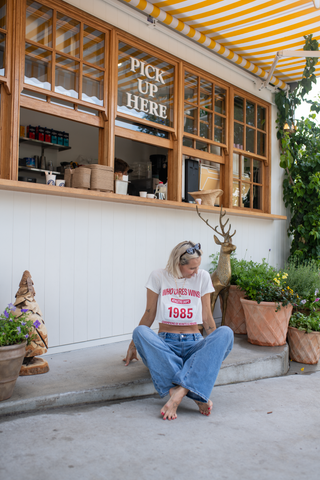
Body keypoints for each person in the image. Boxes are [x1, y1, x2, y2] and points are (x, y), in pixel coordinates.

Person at [124, 241, 234, 421]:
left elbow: (207, 318)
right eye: (191, 268)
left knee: (226, 333)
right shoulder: (158, 276)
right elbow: (149, 313)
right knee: (140, 332)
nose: (196, 272)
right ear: (178, 264)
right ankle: (196, 393)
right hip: (166, 344)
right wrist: (133, 345)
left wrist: (211, 351)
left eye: (198, 267)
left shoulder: (203, 277)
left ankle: (179, 391)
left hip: (194, 344)